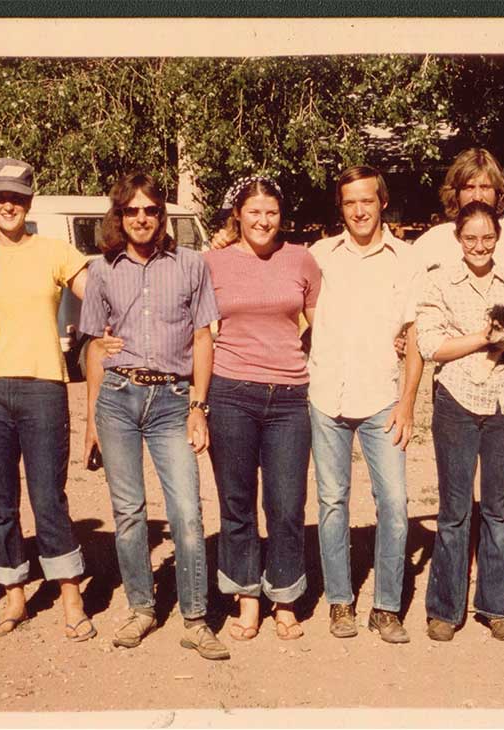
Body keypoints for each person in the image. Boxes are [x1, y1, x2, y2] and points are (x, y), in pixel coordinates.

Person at [80, 172, 228, 660]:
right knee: (129, 513)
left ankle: (195, 618)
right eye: (131, 211)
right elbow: (92, 346)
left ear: (161, 215)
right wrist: (90, 424)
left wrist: (198, 407)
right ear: (119, 217)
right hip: (117, 399)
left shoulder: (190, 265)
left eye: (150, 210)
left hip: (171, 401)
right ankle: (141, 608)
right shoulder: (102, 269)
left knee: (187, 512)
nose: (141, 219)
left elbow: (204, 338)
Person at [0, 157, 106, 641]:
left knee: (49, 496)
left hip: (44, 387)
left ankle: (69, 593)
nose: (8, 205)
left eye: (18, 197)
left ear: (30, 201)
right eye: (0, 196)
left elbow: (101, 299)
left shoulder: (55, 251)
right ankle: (13, 593)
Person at [413, 148, 504, 598]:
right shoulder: (437, 240)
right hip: (461, 382)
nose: (477, 193)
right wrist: (405, 335)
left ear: (500, 191)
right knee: (463, 488)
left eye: (486, 186)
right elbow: (408, 294)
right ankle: (470, 570)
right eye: (468, 186)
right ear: (454, 192)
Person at [308, 165, 422, 643]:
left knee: (394, 503)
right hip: (326, 395)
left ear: (382, 203)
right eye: (350, 201)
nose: (359, 210)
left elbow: (415, 334)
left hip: (382, 398)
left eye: (368, 200)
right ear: (341, 206)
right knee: (332, 502)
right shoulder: (318, 256)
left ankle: (387, 607)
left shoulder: (407, 258)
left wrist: (409, 404)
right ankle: (339, 601)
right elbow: (297, 308)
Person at [416, 200, 504, 642]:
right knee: (453, 511)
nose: (479, 246)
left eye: (487, 237)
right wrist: (485, 339)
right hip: (457, 401)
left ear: (498, 239)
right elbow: (431, 345)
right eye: (471, 238)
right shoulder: (440, 282)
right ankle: (445, 609)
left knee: (498, 509)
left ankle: (496, 604)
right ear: (458, 239)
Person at [204, 176, 320, 641]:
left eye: (270, 211)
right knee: (236, 503)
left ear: (281, 215)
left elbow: (320, 321)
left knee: (287, 505)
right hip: (231, 392)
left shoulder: (301, 259)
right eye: (253, 211)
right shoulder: (211, 262)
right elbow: (193, 328)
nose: (262, 220)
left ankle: (285, 597)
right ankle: (246, 596)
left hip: (290, 398)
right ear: (238, 215)